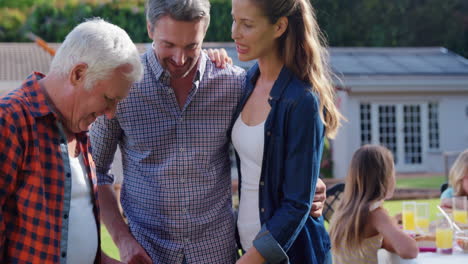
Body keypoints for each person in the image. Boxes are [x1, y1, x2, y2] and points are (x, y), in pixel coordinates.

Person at [89, 0, 326, 263]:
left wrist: (307, 185)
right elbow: (95, 170)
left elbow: (269, 145)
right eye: (169, 45)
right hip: (148, 253)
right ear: (149, 29)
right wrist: (123, 240)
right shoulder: (123, 89)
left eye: (191, 46)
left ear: (205, 31)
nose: (180, 59)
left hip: (218, 253)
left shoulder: (233, 83)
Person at [0, 18, 143, 264]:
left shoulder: (80, 130)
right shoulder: (11, 120)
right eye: (109, 98)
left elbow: (68, 239)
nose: (111, 113)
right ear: (78, 74)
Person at [229, 0, 341, 263]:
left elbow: (296, 204)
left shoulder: (301, 101)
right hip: (249, 249)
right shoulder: (244, 83)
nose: (234, 32)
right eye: (234, 20)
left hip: (293, 255)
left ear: (279, 26)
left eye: (247, 24)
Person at [329, 145, 418, 264]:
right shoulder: (375, 213)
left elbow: (373, 243)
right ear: (385, 179)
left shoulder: (344, 210)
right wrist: (393, 226)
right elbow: (410, 251)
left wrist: (392, 223)